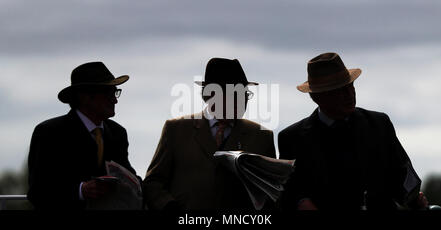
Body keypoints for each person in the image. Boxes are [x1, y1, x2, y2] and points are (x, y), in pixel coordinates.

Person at [279, 52, 428, 210]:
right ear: (317, 97)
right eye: (339, 91)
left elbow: (402, 175)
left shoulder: (379, 124)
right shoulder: (292, 139)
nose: (350, 94)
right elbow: (287, 192)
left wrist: (413, 198)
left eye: (351, 86)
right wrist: (301, 202)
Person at [143, 58, 276, 210]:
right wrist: (169, 206)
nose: (242, 100)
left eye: (244, 94)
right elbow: (153, 182)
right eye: (234, 94)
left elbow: (271, 194)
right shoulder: (176, 130)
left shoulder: (261, 136)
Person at [27, 62, 139, 209]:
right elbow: (37, 193)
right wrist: (80, 191)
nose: (115, 99)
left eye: (115, 92)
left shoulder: (118, 133)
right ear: (85, 97)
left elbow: (129, 176)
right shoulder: (49, 133)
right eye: (108, 93)